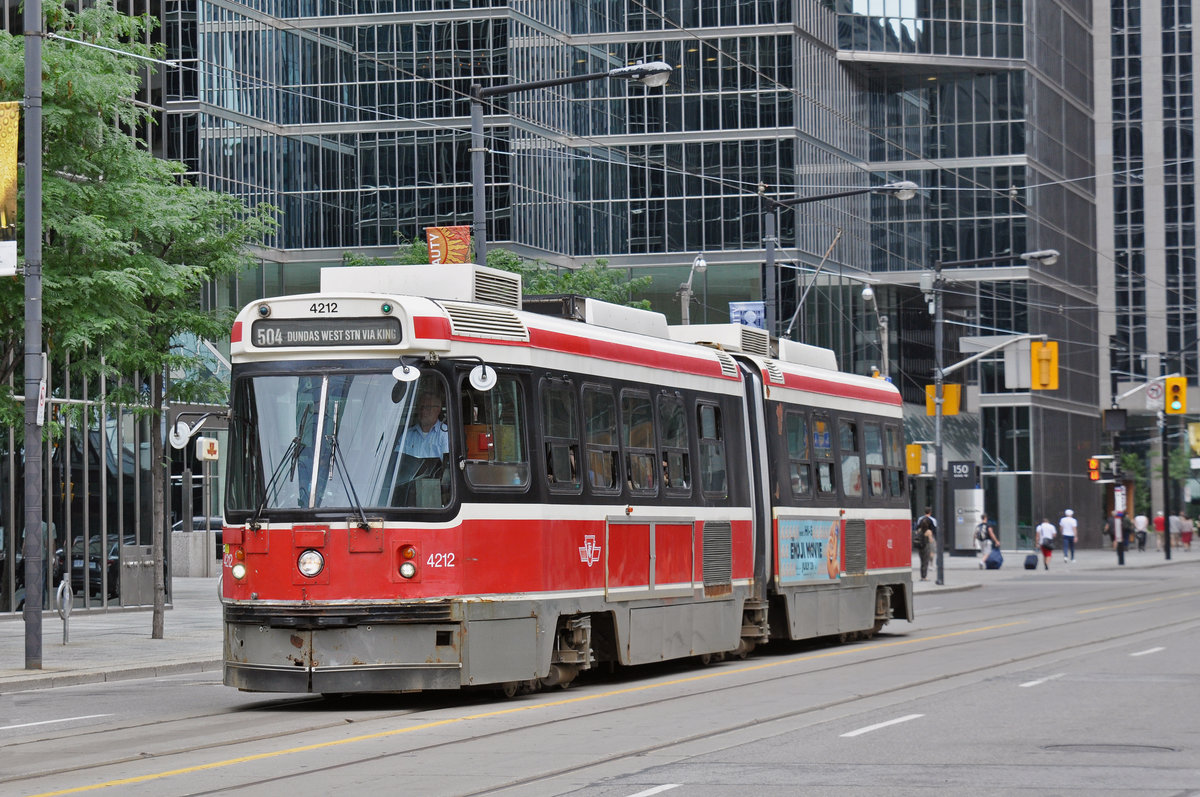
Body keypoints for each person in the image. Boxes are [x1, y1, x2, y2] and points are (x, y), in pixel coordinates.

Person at [400, 388, 449, 458]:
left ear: (438, 409)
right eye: (421, 407)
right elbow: (395, 461)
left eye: (427, 407)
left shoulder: (445, 434)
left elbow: (448, 465)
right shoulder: (407, 435)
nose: (423, 411)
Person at [915, 507, 937, 581]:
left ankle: (922, 576)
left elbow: (916, 530)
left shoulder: (920, 520)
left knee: (922, 561)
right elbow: (934, 532)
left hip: (920, 545)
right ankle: (926, 573)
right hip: (926, 545)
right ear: (930, 512)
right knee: (927, 559)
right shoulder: (932, 521)